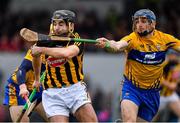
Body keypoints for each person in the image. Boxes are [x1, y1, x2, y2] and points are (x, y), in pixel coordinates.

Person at [96, 9, 180, 122]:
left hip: (152, 93)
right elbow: (118, 45)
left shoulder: (165, 39)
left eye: (143, 21)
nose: (139, 24)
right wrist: (108, 44)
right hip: (131, 88)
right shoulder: (133, 38)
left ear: (153, 23)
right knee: (130, 120)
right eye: (137, 21)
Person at [31, 10, 98, 122]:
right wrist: (37, 79)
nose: (56, 27)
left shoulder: (77, 39)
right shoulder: (45, 40)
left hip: (75, 90)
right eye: (55, 23)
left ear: (70, 25)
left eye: (61, 24)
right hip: (53, 93)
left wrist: (41, 49)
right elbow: (35, 57)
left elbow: (67, 53)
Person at [3, 49, 48, 122]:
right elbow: (22, 68)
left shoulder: (67, 48)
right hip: (17, 88)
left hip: (38, 88)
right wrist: (22, 87)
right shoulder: (38, 48)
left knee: (55, 119)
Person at [156, 50, 180, 121]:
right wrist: (169, 84)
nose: (173, 56)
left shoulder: (178, 65)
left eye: (175, 55)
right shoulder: (164, 64)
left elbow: (176, 78)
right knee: (150, 117)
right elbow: (157, 78)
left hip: (171, 94)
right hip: (160, 95)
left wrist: (176, 83)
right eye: (172, 55)